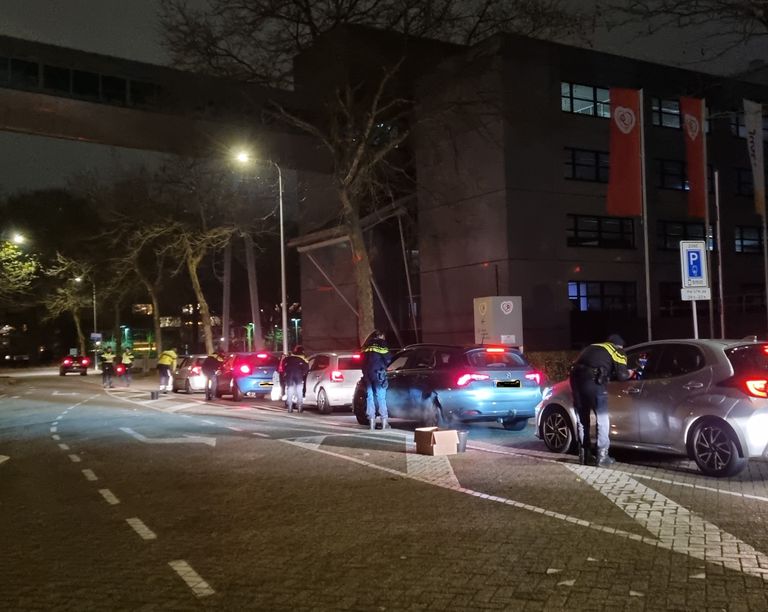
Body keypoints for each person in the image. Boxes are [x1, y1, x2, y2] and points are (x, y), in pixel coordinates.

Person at [569, 333, 634, 467]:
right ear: (619, 345)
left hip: (575, 380)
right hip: (593, 382)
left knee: (582, 419)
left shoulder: (592, 347)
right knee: (602, 418)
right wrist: (631, 372)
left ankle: (584, 455)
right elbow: (622, 375)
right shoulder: (617, 350)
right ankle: (602, 456)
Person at [361, 330, 391, 430]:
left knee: (369, 397)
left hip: (367, 374)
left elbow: (361, 360)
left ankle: (372, 422)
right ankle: (384, 422)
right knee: (381, 397)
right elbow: (388, 359)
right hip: (378, 373)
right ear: (381, 336)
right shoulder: (381, 343)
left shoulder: (366, 345)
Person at [282, 345, 309, 413]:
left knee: (290, 390)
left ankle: (290, 407)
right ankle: (300, 408)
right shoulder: (303, 359)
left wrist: (286, 372)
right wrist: (303, 374)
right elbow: (306, 368)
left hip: (289, 376)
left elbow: (283, 366)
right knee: (299, 391)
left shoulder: (288, 358)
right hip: (298, 376)